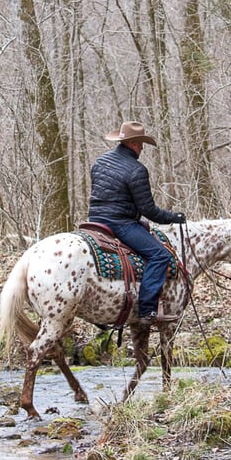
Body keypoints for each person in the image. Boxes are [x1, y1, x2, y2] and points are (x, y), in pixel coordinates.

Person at [88, 121, 186, 325]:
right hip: (119, 223)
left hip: (94, 219)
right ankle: (147, 309)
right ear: (132, 143)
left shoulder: (100, 161)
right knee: (160, 255)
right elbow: (149, 211)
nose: (142, 148)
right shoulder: (136, 170)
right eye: (140, 143)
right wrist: (174, 217)